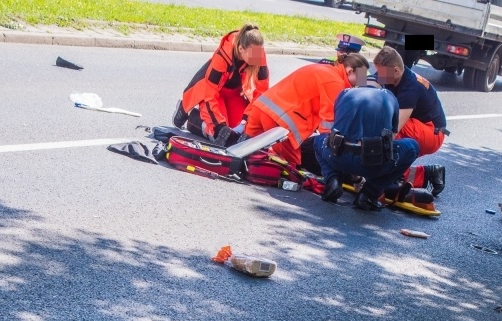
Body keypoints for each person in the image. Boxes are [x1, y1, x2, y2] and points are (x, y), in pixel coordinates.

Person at [241, 52, 370, 168]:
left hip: (261, 109)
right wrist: (332, 150)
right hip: (280, 123)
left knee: (242, 154)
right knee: (292, 169)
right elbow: (328, 123)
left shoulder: (324, 69)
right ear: (350, 71)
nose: (358, 85)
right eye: (359, 78)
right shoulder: (335, 83)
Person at [313, 86, 421, 211]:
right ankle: (369, 194)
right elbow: (391, 137)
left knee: (317, 140)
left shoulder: (345, 93)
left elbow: (339, 129)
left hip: (338, 157)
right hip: (373, 164)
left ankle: (333, 180)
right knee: (412, 147)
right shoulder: (389, 96)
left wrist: (355, 176)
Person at [172, 23, 269, 147]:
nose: (257, 60)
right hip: (213, 92)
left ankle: (211, 123)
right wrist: (218, 127)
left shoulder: (257, 53)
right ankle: (192, 118)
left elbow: (262, 93)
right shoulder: (222, 56)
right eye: (253, 56)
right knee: (220, 134)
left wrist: (248, 119)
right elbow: (209, 95)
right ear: (240, 49)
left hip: (234, 93)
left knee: (238, 135)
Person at [373, 46, 448, 196]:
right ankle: (428, 174)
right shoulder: (388, 74)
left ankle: (393, 178)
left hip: (433, 132)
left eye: (381, 73)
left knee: (388, 128)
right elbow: (362, 80)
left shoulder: (410, 87)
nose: (378, 76)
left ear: (395, 70)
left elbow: (395, 129)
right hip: (419, 126)